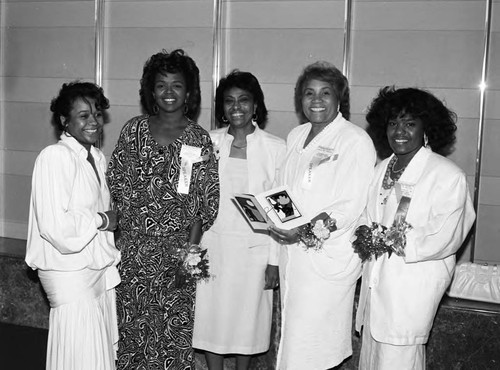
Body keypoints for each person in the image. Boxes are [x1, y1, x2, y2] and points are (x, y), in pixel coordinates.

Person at [107, 49, 219, 369]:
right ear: (151, 90)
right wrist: (124, 239)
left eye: (177, 85)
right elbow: (117, 182)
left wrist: (190, 255)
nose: (169, 92)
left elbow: (203, 201)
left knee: (173, 334)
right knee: (134, 332)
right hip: (136, 252)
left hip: (178, 253)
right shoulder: (133, 130)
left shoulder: (198, 138)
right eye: (161, 85)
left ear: (189, 92)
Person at [355, 86, 476, 369]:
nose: (400, 131)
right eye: (393, 123)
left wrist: (388, 239)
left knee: (400, 361)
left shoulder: (447, 175)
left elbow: (446, 236)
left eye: (410, 124)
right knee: (372, 361)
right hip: (376, 286)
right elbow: (366, 215)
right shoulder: (382, 168)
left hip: (409, 289)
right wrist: (365, 233)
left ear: (426, 129)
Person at [268, 61, 376, 369]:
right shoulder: (295, 135)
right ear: (299, 99)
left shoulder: (354, 140)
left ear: (340, 98)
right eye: (309, 93)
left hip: (326, 259)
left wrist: (302, 231)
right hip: (293, 255)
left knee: (317, 345)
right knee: (294, 340)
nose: (316, 100)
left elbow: (349, 205)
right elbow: (284, 191)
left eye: (325, 93)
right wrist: (271, 215)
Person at [193, 70, 285, 370]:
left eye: (244, 100)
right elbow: (192, 195)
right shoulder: (207, 141)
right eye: (229, 101)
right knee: (212, 317)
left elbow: (280, 211)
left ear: (256, 105)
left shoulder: (275, 147)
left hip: (254, 249)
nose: (237, 107)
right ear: (221, 107)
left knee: (249, 319)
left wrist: (274, 261)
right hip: (213, 245)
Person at [25, 81, 121, 370]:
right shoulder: (54, 157)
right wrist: (103, 220)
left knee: (93, 351)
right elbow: (56, 228)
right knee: (81, 352)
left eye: (97, 114)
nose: (93, 122)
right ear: (64, 121)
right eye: (83, 115)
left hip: (94, 267)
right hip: (69, 270)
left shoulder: (97, 157)